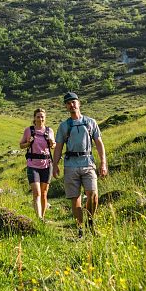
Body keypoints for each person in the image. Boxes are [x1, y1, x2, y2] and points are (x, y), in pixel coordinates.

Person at [53, 92, 108, 237]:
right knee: (75, 198)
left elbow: (99, 143)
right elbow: (58, 147)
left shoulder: (91, 122)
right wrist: (55, 164)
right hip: (70, 165)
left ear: (79, 103)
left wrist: (103, 163)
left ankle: (91, 221)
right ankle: (80, 229)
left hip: (88, 163)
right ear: (66, 106)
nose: (71, 105)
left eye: (73, 102)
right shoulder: (64, 126)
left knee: (93, 194)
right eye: (68, 103)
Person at [20, 108, 55, 221]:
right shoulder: (28, 130)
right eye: (38, 116)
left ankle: (42, 217)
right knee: (37, 192)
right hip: (32, 164)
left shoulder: (50, 131)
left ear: (45, 118)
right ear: (34, 118)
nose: (40, 118)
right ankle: (38, 217)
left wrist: (52, 143)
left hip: (46, 164)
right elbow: (21, 145)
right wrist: (28, 143)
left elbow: (53, 146)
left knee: (44, 193)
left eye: (42, 117)